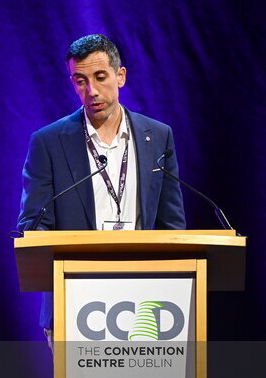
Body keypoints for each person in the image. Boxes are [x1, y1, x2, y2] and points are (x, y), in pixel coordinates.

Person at [17, 34, 185, 333]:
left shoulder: (158, 136)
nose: (91, 90)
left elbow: (171, 224)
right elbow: (34, 223)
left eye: (100, 77)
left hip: (144, 304)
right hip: (75, 302)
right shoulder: (48, 142)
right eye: (80, 80)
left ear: (120, 76)